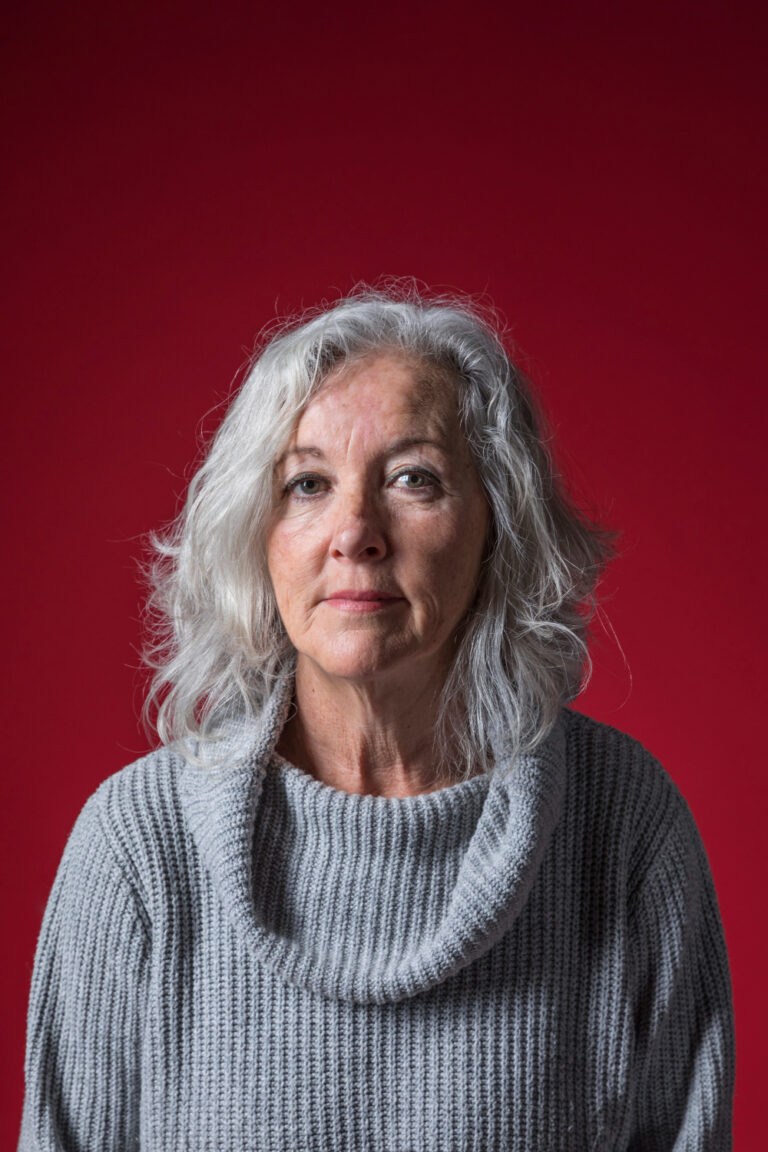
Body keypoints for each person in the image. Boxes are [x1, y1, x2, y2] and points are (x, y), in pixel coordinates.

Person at [19, 285, 735, 1150]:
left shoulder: (622, 829)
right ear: (259, 535)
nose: (354, 531)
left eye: (413, 479)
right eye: (308, 484)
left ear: (497, 528)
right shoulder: (139, 849)